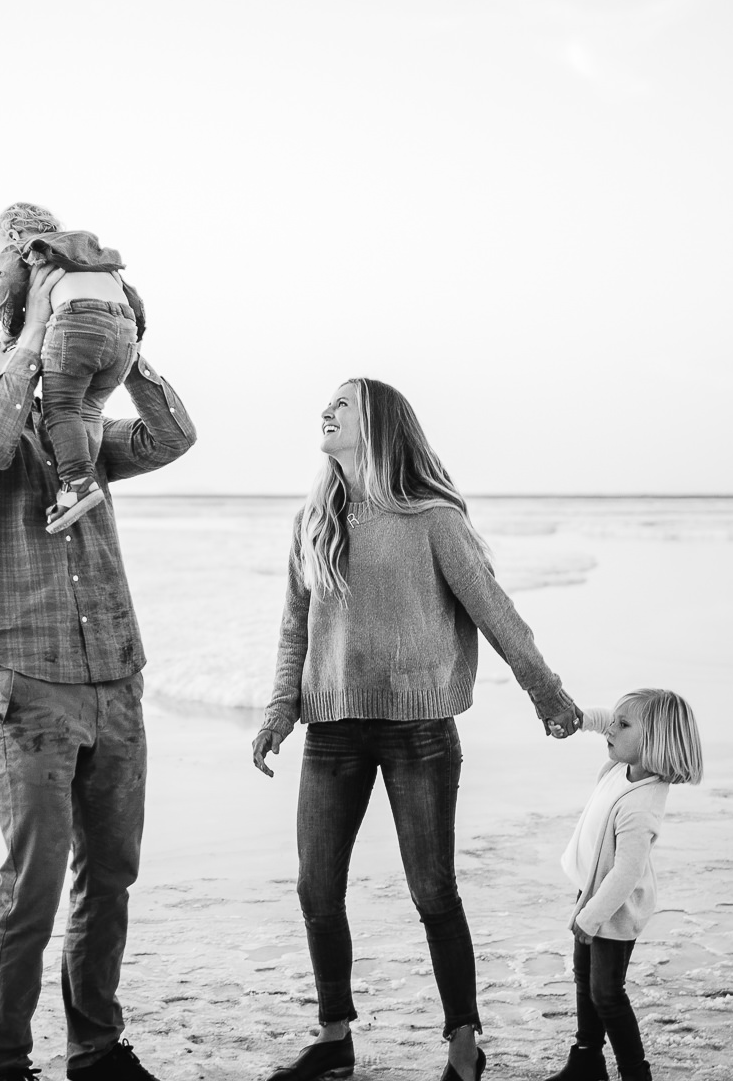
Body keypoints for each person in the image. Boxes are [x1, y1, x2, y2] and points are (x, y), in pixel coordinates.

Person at [251, 377, 582, 1081]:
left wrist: (545, 691)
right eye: (327, 402)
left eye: (343, 402)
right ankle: (334, 1039)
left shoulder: (433, 519)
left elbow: (494, 609)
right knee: (316, 890)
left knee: (432, 892)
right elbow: (292, 629)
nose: (327, 409)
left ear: (378, 423)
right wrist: (280, 710)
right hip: (332, 730)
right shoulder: (314, 518)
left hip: (419, 732)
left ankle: (464, 1043)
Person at [0, 260, 197, 1081]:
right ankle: (3, 1063)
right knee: (34, 884)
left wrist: (133, 348)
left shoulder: (74, 432)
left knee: (110, 875)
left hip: (115, 675)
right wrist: (36, 336)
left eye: (4, 331)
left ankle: (97, 1049)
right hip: (26, 677)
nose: (4, 338)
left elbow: (170, 437)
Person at [546, 689, 704, 1081]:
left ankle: (635, 1073)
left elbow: (626, 873)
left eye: (623, 724)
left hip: (615, 908)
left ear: (653, 741)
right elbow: (602, 721)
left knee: (607, 994)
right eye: (613, 721)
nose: (610, 728)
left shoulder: (641, 804)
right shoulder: (622, 768)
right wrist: (579, 718)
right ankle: (586, 1060)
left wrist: (591, 916)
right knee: (584, 977)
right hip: (592, 893)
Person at [0, 201, 148, 534]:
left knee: (60, 408)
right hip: (125, 332)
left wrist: (10, 328)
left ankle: (77, 481)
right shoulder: (92, 254)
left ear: (12, 233)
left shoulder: (24, 247)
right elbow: (135, 300)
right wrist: (135, 339)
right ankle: (82, 482)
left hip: (78, 324)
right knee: (87, 409)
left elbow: (12, 285)